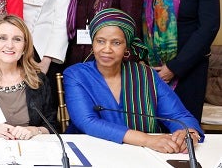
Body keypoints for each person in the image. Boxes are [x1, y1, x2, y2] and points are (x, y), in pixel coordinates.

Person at [64, 8, 204, 153]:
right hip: (90, 152)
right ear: (93, 44)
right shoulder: (75, 75)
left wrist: (188, 134)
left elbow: (179, 115)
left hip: (143, 155)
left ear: (127, 47)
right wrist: (148, 140)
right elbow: (88, 122)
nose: (107, 49)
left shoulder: (145, 74)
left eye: (116, 43)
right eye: (100, 41)